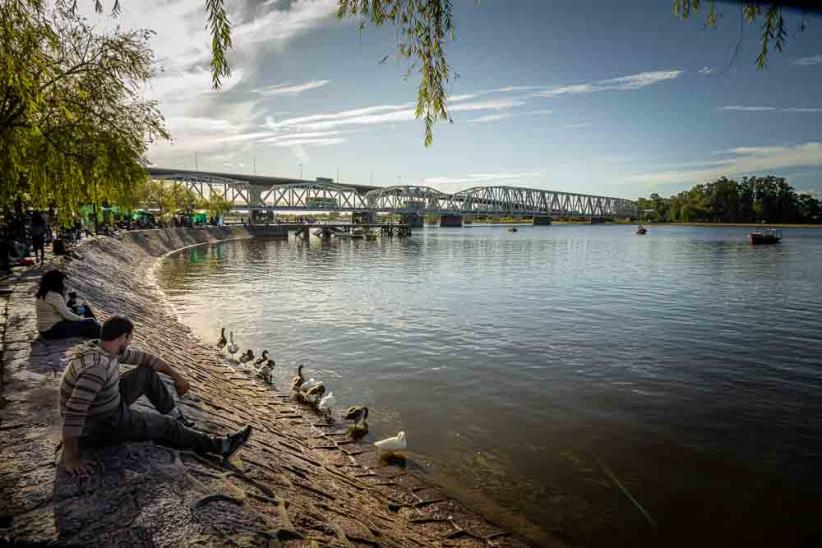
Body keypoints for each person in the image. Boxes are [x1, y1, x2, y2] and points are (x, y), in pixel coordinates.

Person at [58, 316, 252, 476]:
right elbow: (74, 412)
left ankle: (177, 416)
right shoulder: (98, 368)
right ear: (123, 337)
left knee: (146, 373)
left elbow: (147, 359)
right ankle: (221, 446)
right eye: (130, 338)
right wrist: (71, 457)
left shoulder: (103, 349)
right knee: (167, 427)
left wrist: (177, 377)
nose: (130, 343)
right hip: (103, 423)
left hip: (107, 402)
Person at [36, 270, 101, 339]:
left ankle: (96, 330)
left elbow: (62, 309)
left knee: (85, 308)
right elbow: (66, 314)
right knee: (91, 322)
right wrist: (81, 319)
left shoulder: (44, 293)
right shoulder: (54, 295)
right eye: (62, 282)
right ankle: (102, 336)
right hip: (52, 330)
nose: (63, 284)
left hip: (46, 329)